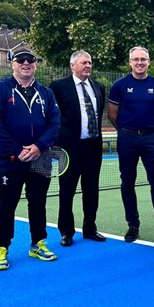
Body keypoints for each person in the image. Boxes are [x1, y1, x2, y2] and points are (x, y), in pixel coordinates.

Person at [0, 47, 60, 271]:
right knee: (7, 204)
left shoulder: (46, 93)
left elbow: (54, 123)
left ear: (36, 64)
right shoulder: (0, 89)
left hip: (40, 159)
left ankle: (38, 243)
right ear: (12, 64)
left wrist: (39, 146)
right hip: (10, 159)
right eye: (21, 60)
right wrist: (18, 150)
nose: (26, 63)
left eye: (30, 60)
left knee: (38, 203)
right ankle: (1, 247)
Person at [108, 46, 154, 242]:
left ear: (149, 62)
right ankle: (133, 225)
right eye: (136, 59)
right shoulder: (119, 85)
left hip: (151, 139)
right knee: (127, 183)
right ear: (130, 62)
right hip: (127, 139)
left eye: (143, 59)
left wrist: (146, 128)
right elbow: (112, 114)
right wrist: (127, 130)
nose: (140, 63)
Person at [50, 50, 107, 246]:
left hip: (92, 147)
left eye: (90, 62)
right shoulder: (58, 87)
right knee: (67, 190)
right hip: (69, 149)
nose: (88, 66)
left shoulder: (99, 87)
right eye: (84, 63)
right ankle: (66, 231)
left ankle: (90, 228)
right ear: (73, 65)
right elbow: (51, 116)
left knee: (91, 190)